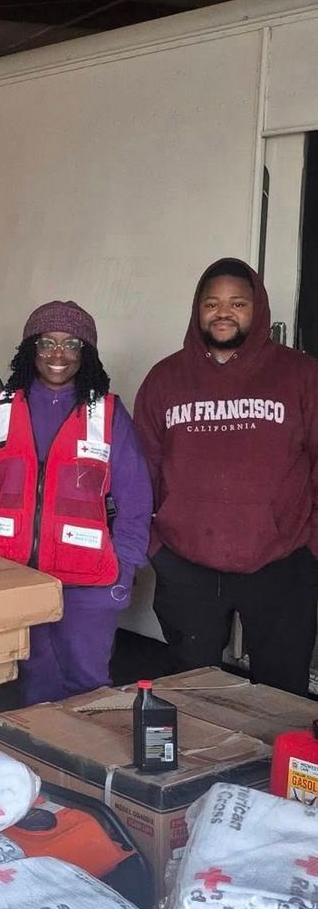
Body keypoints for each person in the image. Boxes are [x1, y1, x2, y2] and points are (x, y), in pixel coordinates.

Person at [134, 258, 318, 696]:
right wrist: (155, 545)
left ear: (258, 309)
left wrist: (312, 546)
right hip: (187, 562)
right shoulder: (165, 378)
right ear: (197, 310)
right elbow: (143, 468)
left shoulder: (300, 375)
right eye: (212, 303)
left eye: (237, 303)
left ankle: (274, 766)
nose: (223, 313)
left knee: (281, 692)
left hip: (282, 561)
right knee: (188, 690)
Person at [0, 301, 153, 703]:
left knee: (88, 686)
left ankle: (85, 764)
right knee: (34, 684)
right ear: (31, 348)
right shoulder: (2, 407)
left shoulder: (108, 413)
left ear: (87, 354)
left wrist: (125, 568)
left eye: (71, 344)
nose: (58, 355)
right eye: (47, 343)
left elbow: (136, 498)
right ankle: (43, 764)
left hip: (89, 583)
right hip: (16, 574)